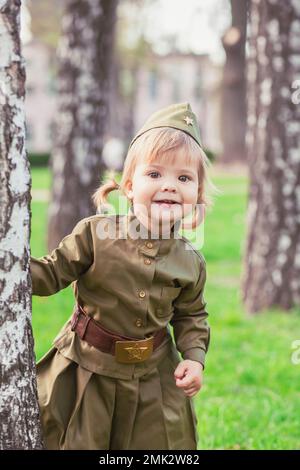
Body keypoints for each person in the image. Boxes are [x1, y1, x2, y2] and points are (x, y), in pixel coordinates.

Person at [31, 102, 215, 450]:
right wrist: (12, 270)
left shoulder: (191, 261)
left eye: (184, 178)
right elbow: (52, 272)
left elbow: (192, 315)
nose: (170, 186)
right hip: (88, 367)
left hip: (154, 376)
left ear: (197, 196)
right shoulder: (95, 235)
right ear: (129, 186)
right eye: (155, 174)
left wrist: (193, 358)